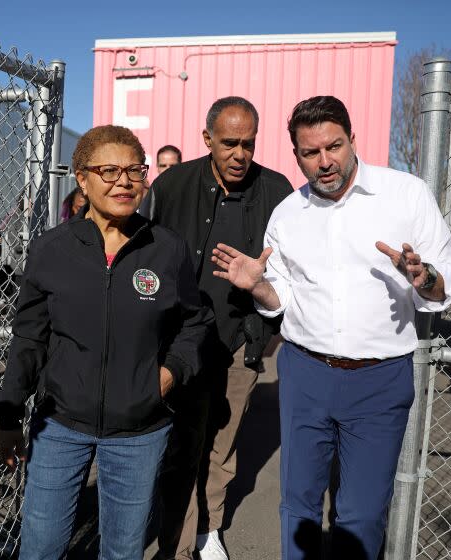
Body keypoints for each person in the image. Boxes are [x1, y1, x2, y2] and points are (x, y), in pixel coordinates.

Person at [211, 95, 451, 560]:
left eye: (334, 146)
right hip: (305, 374)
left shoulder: (405, 194)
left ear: (352, 139)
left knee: (362, 514)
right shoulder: (288, 214)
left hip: (380, 378)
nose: (325, 161)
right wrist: (258, 287)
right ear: (296, 156)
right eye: (311, 152)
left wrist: (424, 276)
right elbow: (281, 299)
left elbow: (449, 281)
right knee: (298, 506)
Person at [0, 125, 212, 560]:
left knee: (123, 551)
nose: (124, 182)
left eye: (134, 170)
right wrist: (9, 413)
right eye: (108, 170)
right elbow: (29, 338)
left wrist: (165, 378)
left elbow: (196, 323)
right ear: (82, 178)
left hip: (140, 432)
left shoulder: (167, 249)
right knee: (41, 548)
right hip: (60, 426)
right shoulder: (51, 250)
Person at [144, 96, 293, 560]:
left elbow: (292, 269)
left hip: (239, 343)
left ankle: (209, 529)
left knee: (221, 449)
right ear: (206, 139)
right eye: (229, 143)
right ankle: (180, 539)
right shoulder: (172, 186)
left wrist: (266, 312)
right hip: (180, 342)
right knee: (182, 442)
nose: (239, 154)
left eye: (248, 143)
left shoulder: (276, 190)